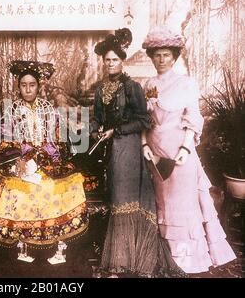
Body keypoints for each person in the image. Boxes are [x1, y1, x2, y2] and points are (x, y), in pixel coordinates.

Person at [141, 26, 236, 273]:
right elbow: (145, 119)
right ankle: (168, 257)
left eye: (166, 55)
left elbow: (193, 116)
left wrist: (185, 147)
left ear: (174, 57)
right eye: (157, 55)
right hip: (155, 152)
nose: (161, 60)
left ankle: (187, 260)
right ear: (151, 57)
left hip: (179, 152)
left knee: (181, 203)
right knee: (163, 203)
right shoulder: (149, 84)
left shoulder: (186, 83)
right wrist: (143, 144)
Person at [91, 29, 185, 278]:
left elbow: (144, 120)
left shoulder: (132, 87)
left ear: (122, 61)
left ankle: (135, 260)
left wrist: (116, 130)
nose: (111, 64)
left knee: (127, 199)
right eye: (107, 60)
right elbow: (97, 118)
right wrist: (96, 130)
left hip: (130, 147)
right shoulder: (100, 89)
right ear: (103, 62)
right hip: (111, 150)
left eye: (115, 60)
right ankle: (122, 257)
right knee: (116, 200)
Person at [0, 60, 88, 249]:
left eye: (32, 85)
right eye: (24, 85)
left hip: (47, 161)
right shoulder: (11, 111)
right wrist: (22, 153)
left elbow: (58, 138)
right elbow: (4, 141)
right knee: (15, 189)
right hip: (21, 162)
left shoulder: (49, 110)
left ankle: (56, 240)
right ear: (19, 87)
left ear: (38, 86)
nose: (28, 90)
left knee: (56, 186)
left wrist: (47, 151)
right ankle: (21, 241)